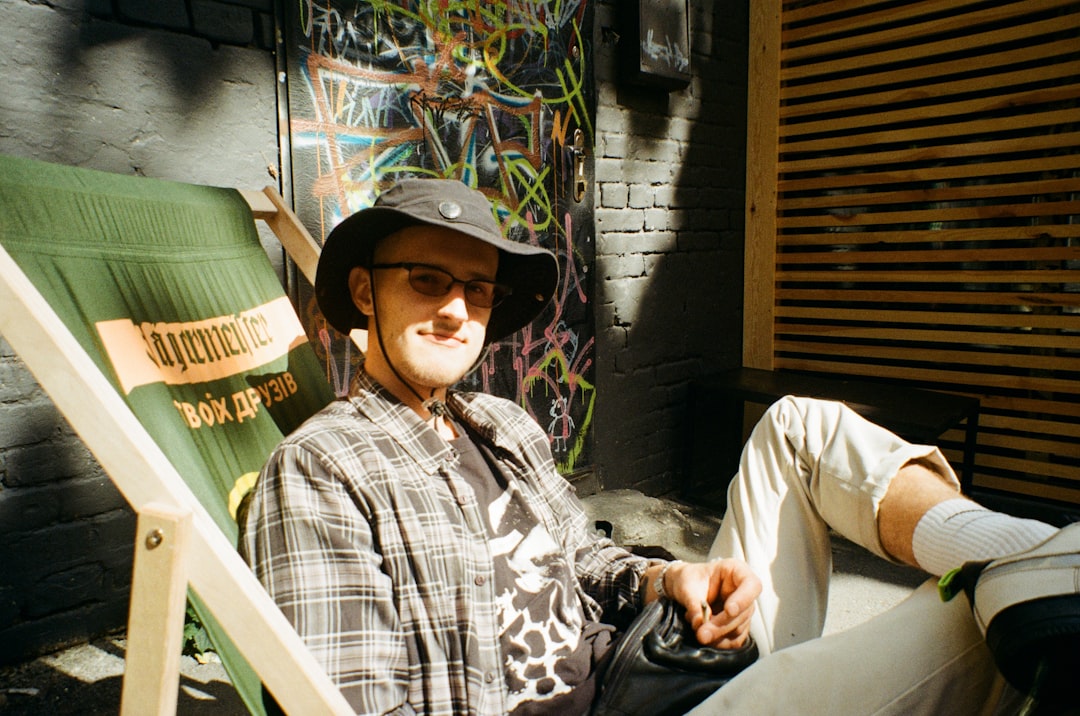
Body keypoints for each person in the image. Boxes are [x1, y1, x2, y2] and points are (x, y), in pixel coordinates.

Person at [240, 178, 1078, 715]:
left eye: (478, 289)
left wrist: (665, 577)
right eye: (427, 280)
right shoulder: (321, 471)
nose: (457, 311)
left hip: (659, 668)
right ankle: (1043, 575)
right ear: (363, 289)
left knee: (797, 425)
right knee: (983, 616)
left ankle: (1038, 558)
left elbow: (581, 559)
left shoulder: (499, 424)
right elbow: (344, 705)